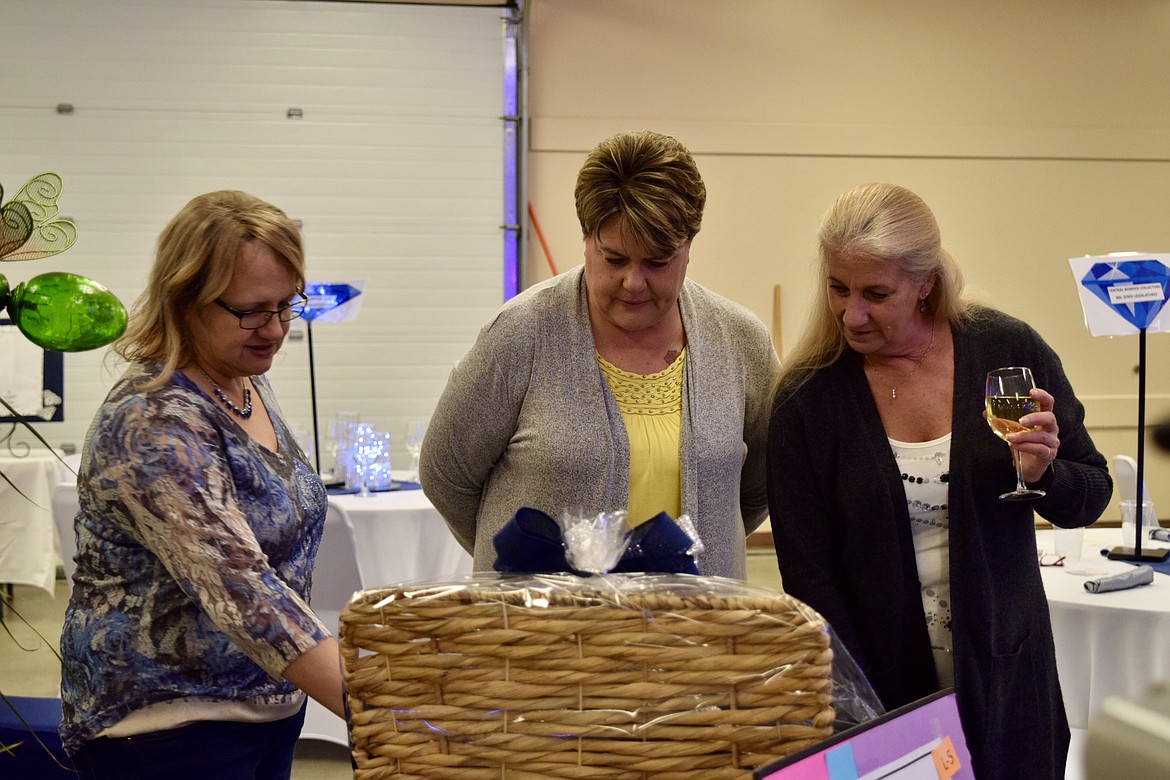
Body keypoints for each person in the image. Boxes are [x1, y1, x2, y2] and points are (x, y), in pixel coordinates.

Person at [767, 182, 1112, 779]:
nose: (852, 313)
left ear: (925, 283)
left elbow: (1093, 491)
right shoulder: (808, 400)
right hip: (882, 699)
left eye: (877, 293)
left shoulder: (1006, 350)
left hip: (1010, 684)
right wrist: (865, 706)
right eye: (837, 287)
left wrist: (1045, 473)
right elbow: (808, 576)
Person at [58, 190, 345, 779]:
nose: (274, 329)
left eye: (287, 305)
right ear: (186, 300)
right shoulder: (152, 419)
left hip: (260, 709)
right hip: (168, 730)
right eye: (251, 310)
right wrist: (380, 704)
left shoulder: (241, 382)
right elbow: (244, 592)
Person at [420, 130, 778, 579]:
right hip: (548, 636)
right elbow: (445, 475)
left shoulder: (742, 343)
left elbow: (761, 484)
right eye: (614, 260)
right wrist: (525, 569)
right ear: (587, 239)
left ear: (688, 248)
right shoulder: (519, 335)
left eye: (657, 262)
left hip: (691, 637)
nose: (633, 282)